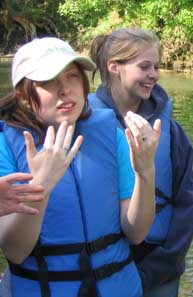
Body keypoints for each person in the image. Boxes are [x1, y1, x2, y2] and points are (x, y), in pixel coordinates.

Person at [0, 36, 160, 297]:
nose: (65, 89)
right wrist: (40, 187)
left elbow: (136, 233)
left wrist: (145, 172)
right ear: (23, 96)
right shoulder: (5, 146)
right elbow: (16, 251)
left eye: (73, 76)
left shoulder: (111, 134)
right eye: (49, 81)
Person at [88, 27, 193, 297]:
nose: (154, 75)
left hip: (158, 269)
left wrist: (155, 270)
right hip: (99, 269)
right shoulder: (84, 125)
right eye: (145, 66)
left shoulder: (172, 133)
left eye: (157, 67)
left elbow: (187, 207)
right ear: (114, 67)